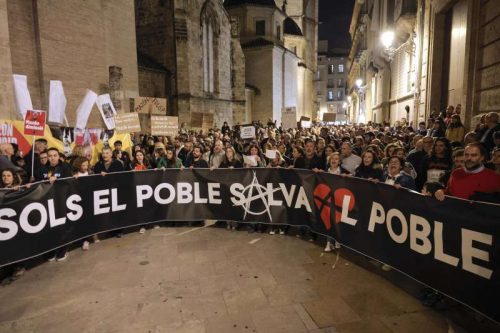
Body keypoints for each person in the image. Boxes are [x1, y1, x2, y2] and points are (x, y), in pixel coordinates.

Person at [435, 143, 500, 201]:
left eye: (474, 155)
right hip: (454, 212)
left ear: (482, 157)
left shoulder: (494, 177)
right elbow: (449, 192)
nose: (469, 158)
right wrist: (441, 191)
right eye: (466, 155)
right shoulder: (456, 173)